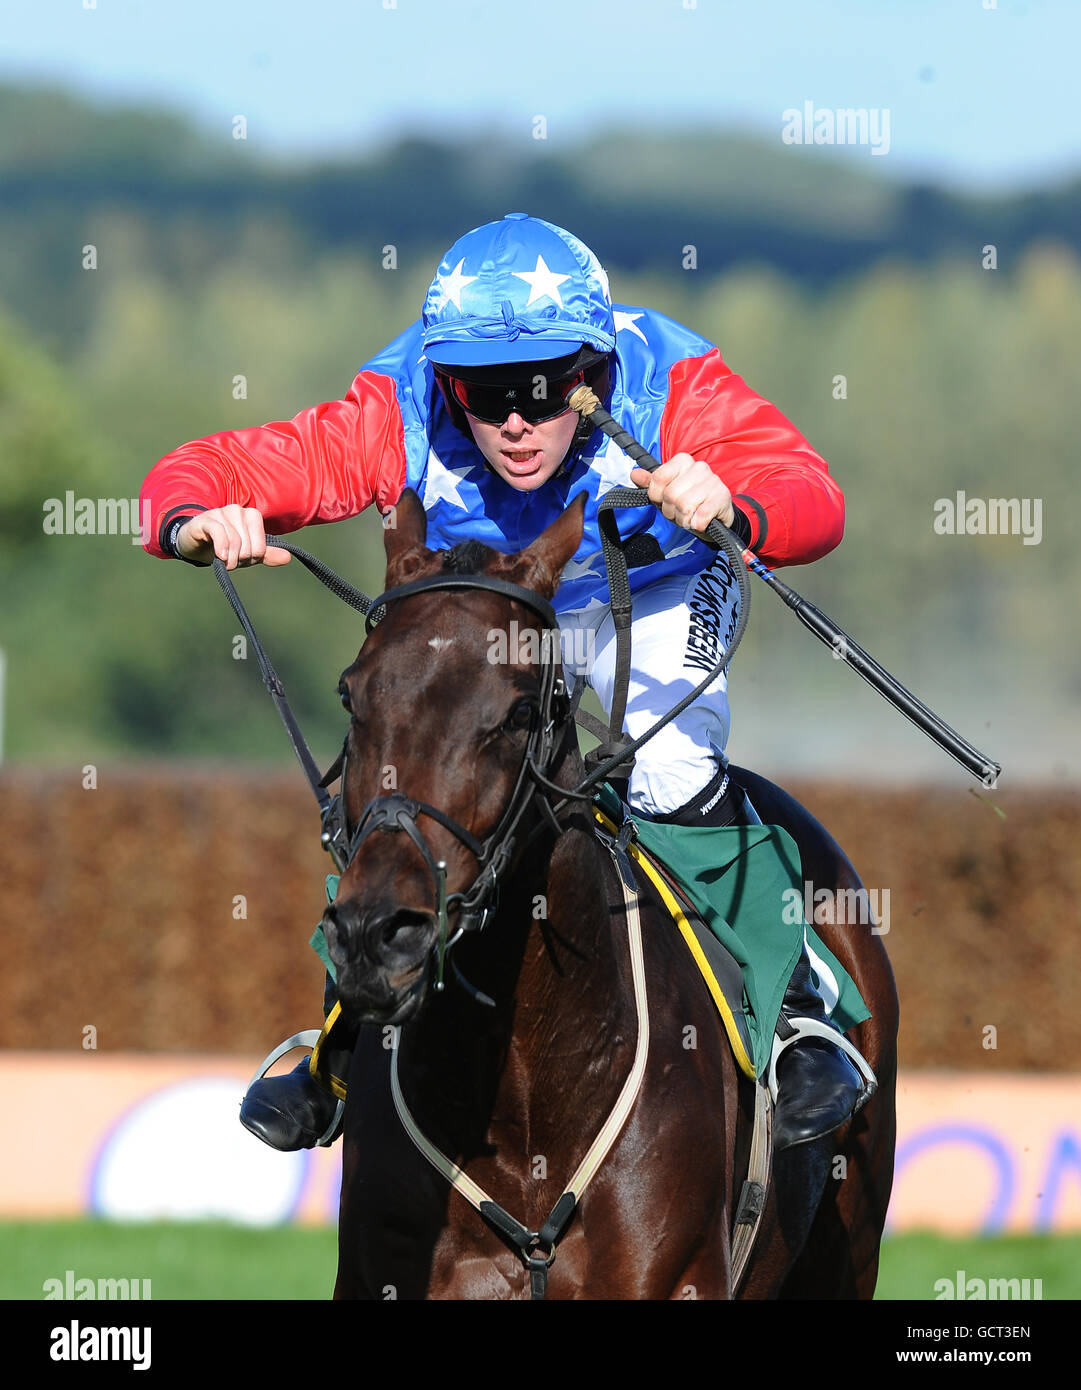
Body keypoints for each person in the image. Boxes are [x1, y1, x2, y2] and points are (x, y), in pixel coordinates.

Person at [139, 212, 864, 1152]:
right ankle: (340, 1038)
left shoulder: (671, 378)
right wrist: (199, 520)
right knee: (414, 771)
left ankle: (799, 1013)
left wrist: (738, 501)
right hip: (500, 613)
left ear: (594, 368)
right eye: (482, 392)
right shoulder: (398, 403)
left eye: (540, 385)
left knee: (670, 765)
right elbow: (205, 469)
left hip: (652, 589)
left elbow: (813, 495)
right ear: (446, 379)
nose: (514, 419)